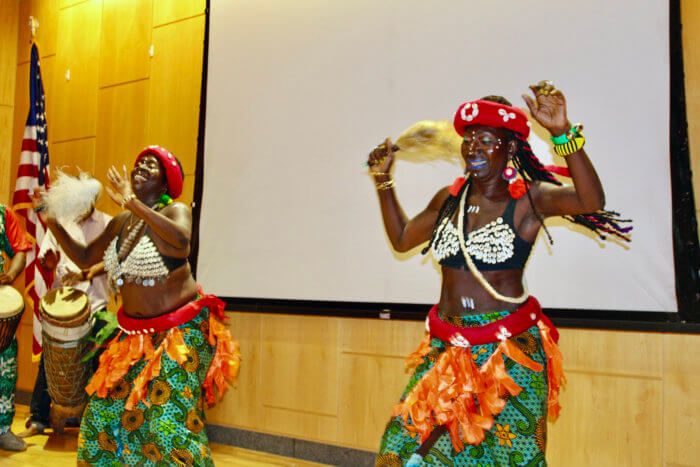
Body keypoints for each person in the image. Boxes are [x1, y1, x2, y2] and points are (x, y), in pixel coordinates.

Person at [370, 82, 630, 466]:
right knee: (400, 451)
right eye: (468, 139)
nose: (473, 147)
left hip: (507, 354)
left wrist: (562, 133)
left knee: (501, 458)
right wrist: (383, 182)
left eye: (485, 140)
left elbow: (591, 201)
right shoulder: (448, 199)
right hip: (447, 350)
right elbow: (404, 238)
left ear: (509, 148)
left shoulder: (528, 199)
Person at [32, 146, 240, 466]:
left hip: (180, 336)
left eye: (152, 166)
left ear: (166, 183)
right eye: (140, 162)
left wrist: (131, 202)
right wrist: (53, 221)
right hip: (133, 340)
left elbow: (181, 242)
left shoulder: (176, 211)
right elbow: (87, 257)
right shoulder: (121, 222)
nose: (142, 166)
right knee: (102, 420)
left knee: (166, 425)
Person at [19, 185, 112, 438]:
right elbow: (46, 260)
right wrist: (49, 263)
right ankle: (38, 419)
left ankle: (95, 424)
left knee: (99, 361)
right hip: (62, 306)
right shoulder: (60, 222)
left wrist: (89, 271)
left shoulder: (108, 223)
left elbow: (115, 261)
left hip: (96, 305)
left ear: (95, 199)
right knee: (49, 362)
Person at [0, 203, 32, 452]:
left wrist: (9, 275)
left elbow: (20, 250)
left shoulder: (3, 214)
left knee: (5, 369)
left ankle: (2, 430)